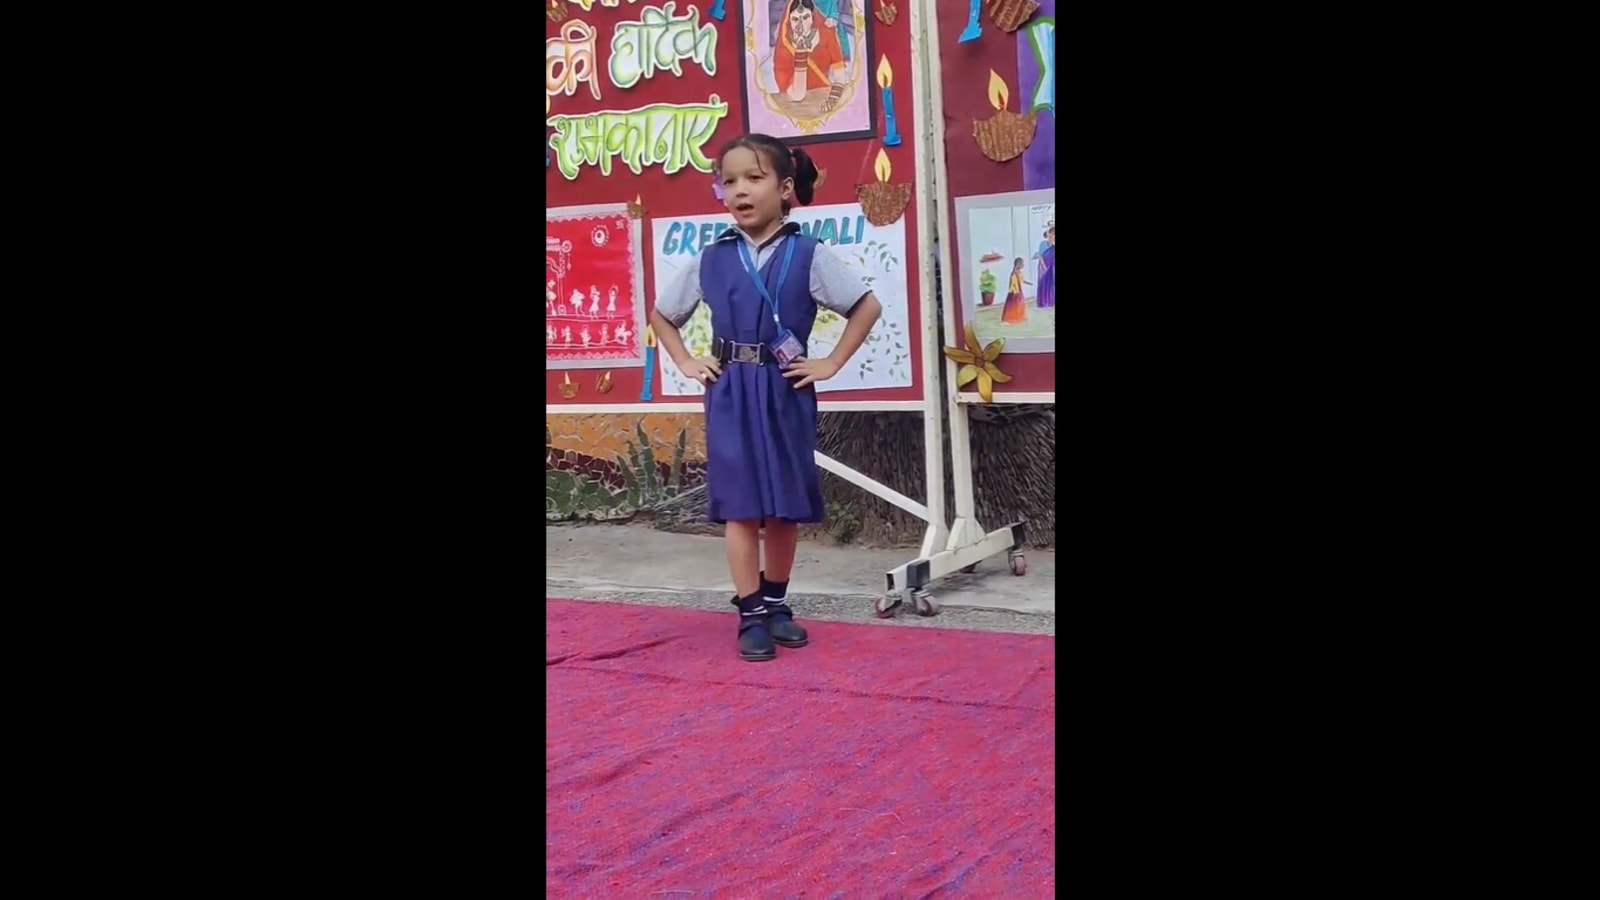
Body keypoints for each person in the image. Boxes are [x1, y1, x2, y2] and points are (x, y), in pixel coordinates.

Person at [651, 133, 883, 662]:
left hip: (783, 389)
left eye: (753, 179)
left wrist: (830, 362)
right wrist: (687, 360)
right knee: (741, 507)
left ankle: (777, 604)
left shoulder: (809, 253)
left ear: (784, 188)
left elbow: (865, 307)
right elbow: (664, 317)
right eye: (729, 181)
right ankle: (750, 613)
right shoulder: (711, 258)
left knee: (782, 507)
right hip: (730, 389)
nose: (740, 191)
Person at [773, 0, 849, 112]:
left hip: (825, 96)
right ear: (789, 20)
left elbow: (840, 76)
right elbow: (797, 95)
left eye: (805, 17)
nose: (801, 24)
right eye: (795, 19)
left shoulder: (827, 34)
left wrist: (832, 100)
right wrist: (800, 51)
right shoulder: (785, 47)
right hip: (797, 106)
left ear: (813, 16)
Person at [1001, 256, 1030, 324]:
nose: (1023, 265)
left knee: (1020, 306)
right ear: (1018, 264)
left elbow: (1022, 280)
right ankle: (1012, 319)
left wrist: (1028, 283)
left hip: (1019, 292)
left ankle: (1019, 318)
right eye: (1022, 263)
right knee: (1014, 306)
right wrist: (1013, 291)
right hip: (1015, 293)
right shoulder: (1013, 274)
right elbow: (1011, 284)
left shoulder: (1019, 272)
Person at [1034, 221, 1055, 310]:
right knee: (1043, 283)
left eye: (1053, 235)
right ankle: (1043, 302)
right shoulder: (1043, 244)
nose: (1052, 237)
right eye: (1051, 235)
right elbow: (1040, 255)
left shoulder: (1054, 246)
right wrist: (1044, 265)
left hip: (1051, 267)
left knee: (1051, 283)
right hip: (1043, 267)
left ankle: (1050, 301)